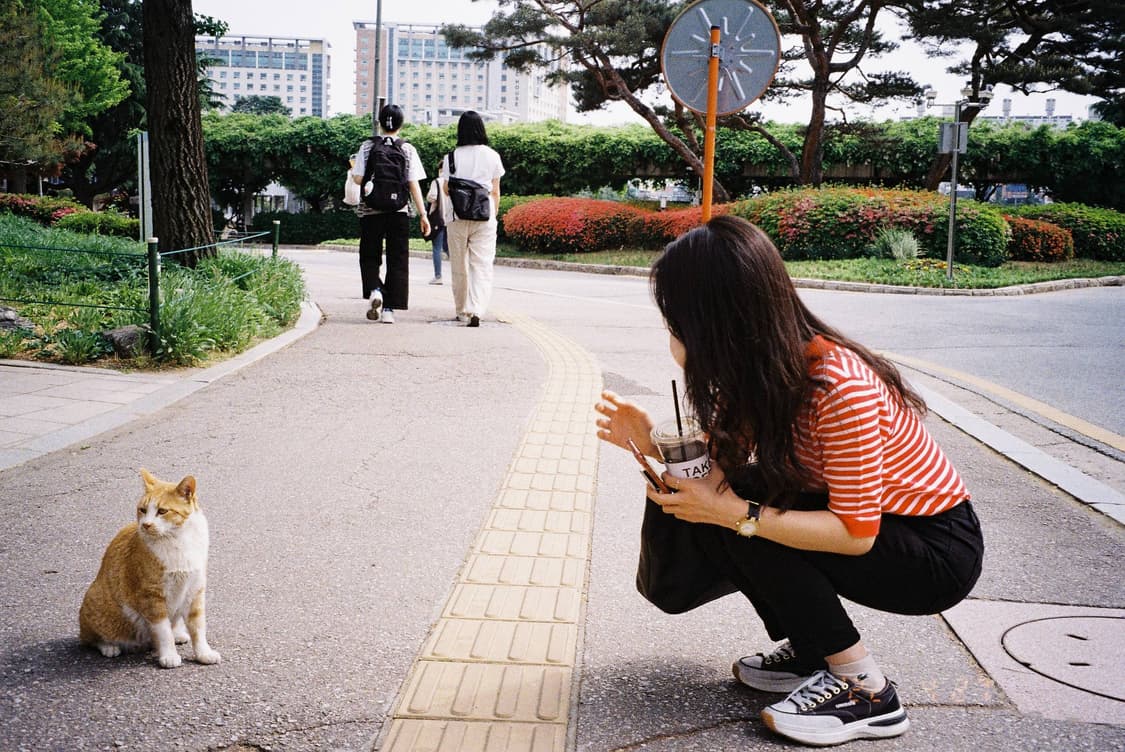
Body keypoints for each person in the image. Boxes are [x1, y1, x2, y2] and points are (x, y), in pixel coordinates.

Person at [594, 215, 984, 747]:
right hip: (872, 526)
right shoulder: (760, 373)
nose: (671, 336)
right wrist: (649, 445)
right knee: (736, 504)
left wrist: (735, 514)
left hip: (931, 547)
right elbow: (718, 478)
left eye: (676, 322)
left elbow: (856, 533)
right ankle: (812, 650)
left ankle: (865, 690)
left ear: (717, 323)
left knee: (743, 515)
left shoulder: (837, 387)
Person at [350, 104, 429, 324]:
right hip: (399, 211)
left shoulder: (367, 146)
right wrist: (423, 215)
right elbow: (413, 184)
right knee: (398, 259)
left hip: (370, 211)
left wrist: (354, 170)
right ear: (401, 123)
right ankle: (389, 310)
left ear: (380, 122)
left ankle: (375, 289)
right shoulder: (407, 149)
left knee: (369, 255)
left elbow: (358, 179)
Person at [442, 111, 504, 328]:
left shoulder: (451, 157)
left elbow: (446, 189)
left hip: (457, 217)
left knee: (459, 265)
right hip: (484, 216)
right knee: (482, 265)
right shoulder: (492, 155)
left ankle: (461, 311)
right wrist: (492, 216)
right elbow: (495, 191)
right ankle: (476, 308)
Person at [424, 161, 449, 285]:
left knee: (437, 248)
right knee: (450, 248)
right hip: (452, 220)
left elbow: (431, 197)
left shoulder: (437, 182)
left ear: (440, 169)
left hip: (438, 220)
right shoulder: (455, 181)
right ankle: (462, 274)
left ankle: (438, 276)